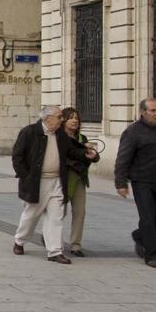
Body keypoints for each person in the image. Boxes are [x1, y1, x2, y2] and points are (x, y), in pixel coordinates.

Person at [11, 104, 95, 264]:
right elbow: (17, 157)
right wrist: (26, 177)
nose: (61, 120)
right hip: (37, 182)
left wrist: (85, 154)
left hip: (57, 181)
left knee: (56, 217)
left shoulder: (60, 135)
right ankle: (19, 240)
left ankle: (55, 251)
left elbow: (71, 151)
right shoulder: (29, 132)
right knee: (31, 215)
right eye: (59, 117)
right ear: (47, 118)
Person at [114, 97, 156, 269]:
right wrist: (120, 183)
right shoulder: (133, 132)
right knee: (147, 218)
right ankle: (151, 254)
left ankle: (140, 236)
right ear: (143, 112)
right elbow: (123, 158)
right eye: (153, 111)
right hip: (143, 181)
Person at [61, 107, 96, 258]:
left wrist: (93, 155)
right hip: (63, 180)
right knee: (58, 213)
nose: (75, 120)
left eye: (76, 118)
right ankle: (50, 237)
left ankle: (75, 245)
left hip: (79, 179)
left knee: (80, 213)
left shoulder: (82, 138)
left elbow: (92, 157)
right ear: (64, 121)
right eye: (71, 118)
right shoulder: (59, 138)